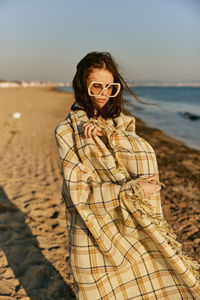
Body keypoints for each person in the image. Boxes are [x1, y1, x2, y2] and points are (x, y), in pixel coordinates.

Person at [55, 52, 200, 299]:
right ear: (82, 85)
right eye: (96, 86)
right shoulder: (67, 132)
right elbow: (78, 192)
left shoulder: (122, 125)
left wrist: (108, 135)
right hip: (93, 233)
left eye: (110, 87)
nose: (103, 93)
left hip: (133, 227)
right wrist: (132, 191)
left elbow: (139, 156)